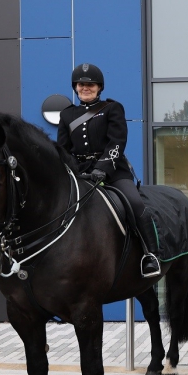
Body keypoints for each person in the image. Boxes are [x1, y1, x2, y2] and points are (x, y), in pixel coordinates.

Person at [57, 63, 161, 277]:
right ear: (75, 87)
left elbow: (117, 142)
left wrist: (102, 168)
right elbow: (63, 149)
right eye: (81, 84)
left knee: (135, 203)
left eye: (91, 84)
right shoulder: (67, 115)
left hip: (113, 170)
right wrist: (71, 171)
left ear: (99, 87)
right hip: (79, 172)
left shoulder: (112, 109)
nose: (85, 88)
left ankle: (150, 255)